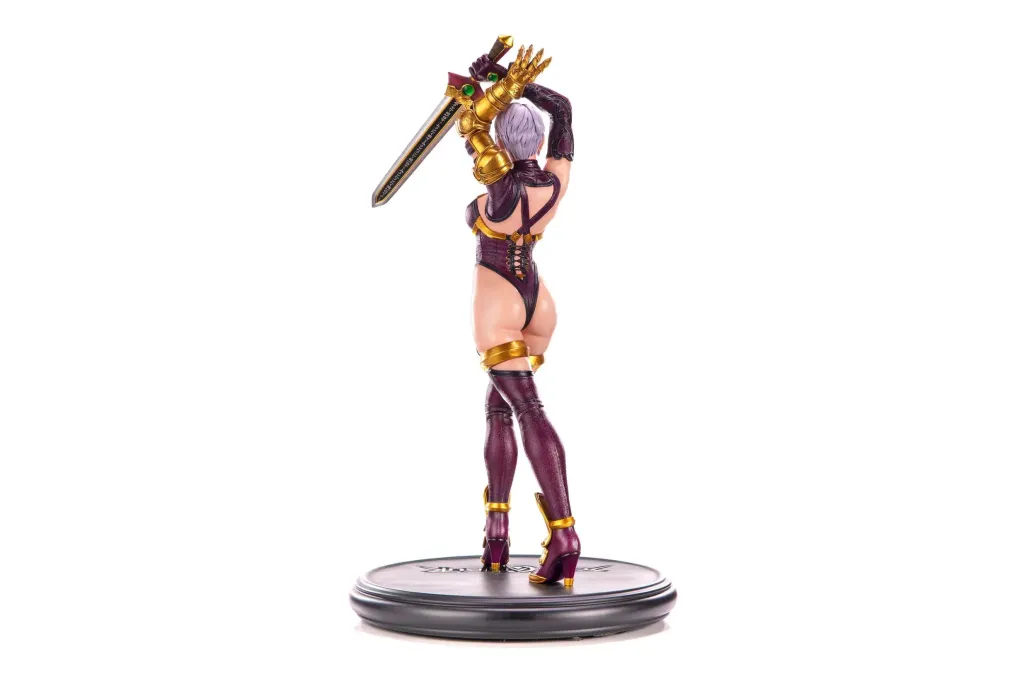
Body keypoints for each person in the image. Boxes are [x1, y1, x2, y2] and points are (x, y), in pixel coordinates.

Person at [458, 47, 578, 586]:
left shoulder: (501, 194)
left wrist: (483, 94)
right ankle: (497, 533)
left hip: (500, 304)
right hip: (538, 303)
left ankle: (565, 534)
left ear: (502, 147)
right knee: (499, 410)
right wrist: (507, 79)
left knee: (527, 411)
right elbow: (564, 109)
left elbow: (472, 131)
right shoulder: (553, 183)